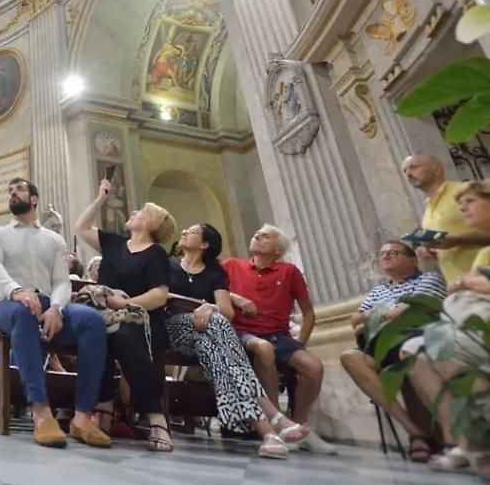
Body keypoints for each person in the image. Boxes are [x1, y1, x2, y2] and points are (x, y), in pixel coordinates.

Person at [0, 178, 112, 448]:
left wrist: (57, 307)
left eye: (18, 189)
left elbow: (62, 281)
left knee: (92, 321)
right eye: (9, 191)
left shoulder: (53, 239)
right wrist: (18, 292)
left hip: (46, 304)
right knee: (22, 314)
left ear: (34, 198)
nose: (12, 193)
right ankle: (41, 414)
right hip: (5, 305)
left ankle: (82, 416)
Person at [166, 223, 309, 459]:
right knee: (221, 328)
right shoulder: (168, 266)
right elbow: (163, 296)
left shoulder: (214, 272)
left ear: (204, 244)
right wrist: (198, 307)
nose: (183, 232)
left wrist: (209, 307)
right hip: (174, 329)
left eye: (191, 231)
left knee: (216, 351)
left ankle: (267, 433)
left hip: (205, 336)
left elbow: (226, 310)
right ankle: (273, 416)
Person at [75, 183, 177, 452]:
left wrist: (126, 302)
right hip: (105, 315)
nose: (133, 211)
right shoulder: (115, 243)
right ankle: (104, 410)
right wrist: (100, 199)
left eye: (142, 212)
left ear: (151, 223)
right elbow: (81, 227)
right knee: (99, 332)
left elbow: (159, 295)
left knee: (120, 335)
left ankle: (156, 418)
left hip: (141, 320)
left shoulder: (155, 253)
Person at [224, 225, 337, 454]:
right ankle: (277, 426)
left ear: (278, 249)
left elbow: (308, 313)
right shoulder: (232, 265)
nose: (257, 236)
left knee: (313, 367)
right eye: (256, 234)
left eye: (265, 236)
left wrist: (300, 344)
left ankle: (299, 425)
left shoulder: (289, 271)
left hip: (280, 335)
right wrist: (234, 297)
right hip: (242, 333)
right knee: (263, 350)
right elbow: (210, 287)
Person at [404, 181, 490, 473]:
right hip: (469, 316)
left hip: (480, 320)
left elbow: (468, 283)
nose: (462, 207)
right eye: (460, 203)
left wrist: (466, 283)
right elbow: (465, 283)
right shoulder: (483, 253)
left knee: (444, 348)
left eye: (470, 202)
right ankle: (468, 442)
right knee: (413, 352)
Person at [339, 240, 446, 462]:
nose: (386, 256)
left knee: (407, 357)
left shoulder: (429, 279)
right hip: (380, 347)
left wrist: (374, 317)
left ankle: (429, 438)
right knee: (349, 357)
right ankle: (414, 431)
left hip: (416, 341)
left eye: (393, 253)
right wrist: (383, 314)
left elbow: (406, 314)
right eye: (382, 253)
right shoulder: (380, 289)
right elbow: (354, 320)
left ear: (413, 260)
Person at [402, 154, 489, 281]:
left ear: (436, 170)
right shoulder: (427, 212)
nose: (408, 174)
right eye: (405, 171)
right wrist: (429, 249)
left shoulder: (466, 191)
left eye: (413, 167)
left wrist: (458, 240)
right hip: (460, 286)